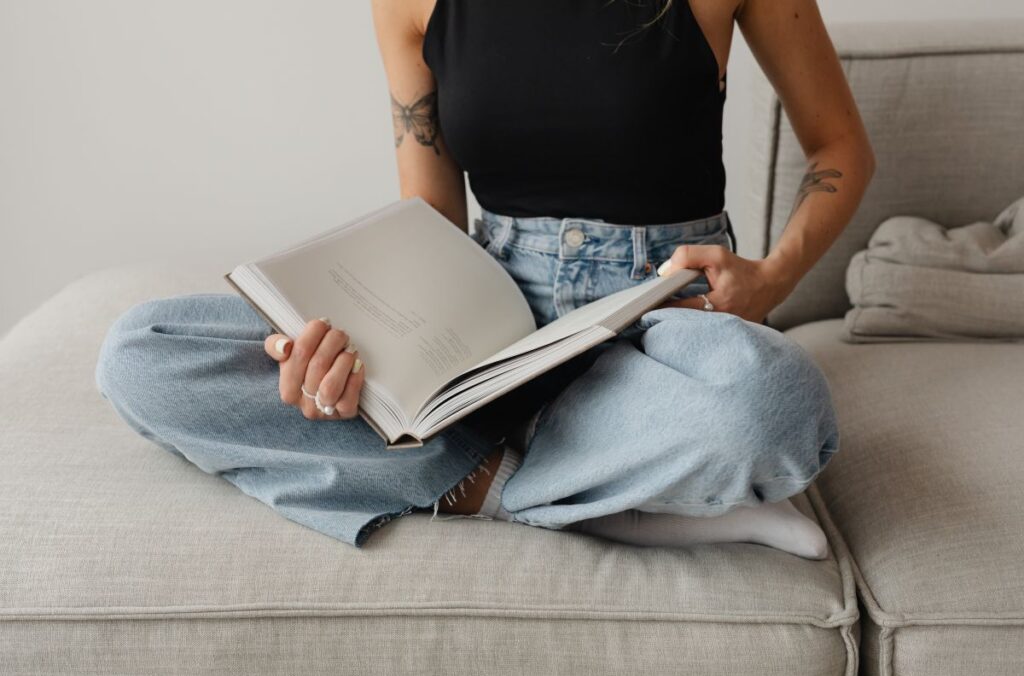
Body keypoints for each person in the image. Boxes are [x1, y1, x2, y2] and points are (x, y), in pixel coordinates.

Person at [95, 0, 874, 558]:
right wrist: (351, 361)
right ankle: (543, 485)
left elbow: (840, 144)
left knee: (776, 404)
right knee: (143, 350)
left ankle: (491, 470)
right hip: (491, 320)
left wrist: (768, 279)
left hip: (665, 318)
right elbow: (426, 233)